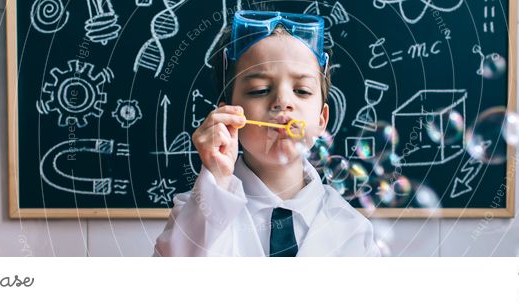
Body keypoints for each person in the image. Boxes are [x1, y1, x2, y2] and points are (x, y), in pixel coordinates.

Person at [154, 10, 381, 256]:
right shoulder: (196, 211)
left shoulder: (355, 232)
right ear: (229, 115)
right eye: (260, 89)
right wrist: (216, 177)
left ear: (321, 120)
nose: (282, 101)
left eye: (302, 91)